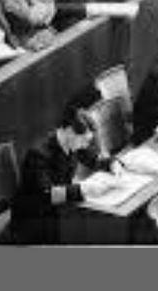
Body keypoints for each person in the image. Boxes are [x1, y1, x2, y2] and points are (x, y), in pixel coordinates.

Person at [15, 100, 116, 244]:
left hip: (60, 210)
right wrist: (83, 190)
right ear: (69, 131)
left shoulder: (73, 143)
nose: (86, 145)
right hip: (36, 218)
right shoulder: (38, 154)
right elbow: (47, 194)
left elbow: (93, 159)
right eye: (84, 141)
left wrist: (112, 163)